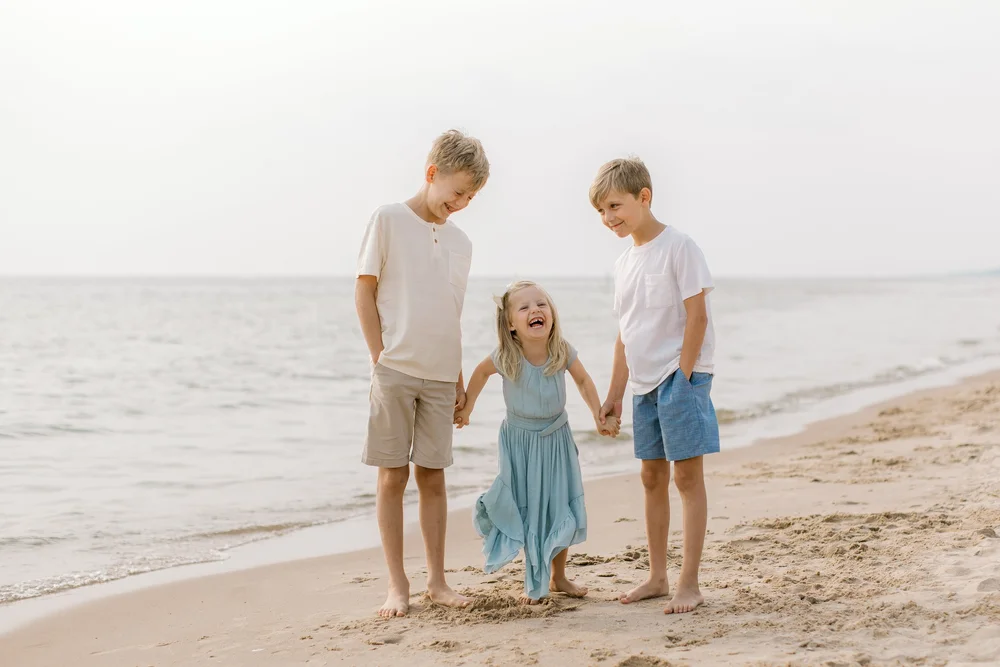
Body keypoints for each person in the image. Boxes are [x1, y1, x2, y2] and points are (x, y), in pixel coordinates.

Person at [355, 129, 489, 618]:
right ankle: (398, 585)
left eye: (471, 197)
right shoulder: (388, 219)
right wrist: (379, 357)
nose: (462, 203)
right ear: (432, 174)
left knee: (433, 478)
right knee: (393, 478)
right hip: (394, 370)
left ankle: (437, 581)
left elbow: (448, 311)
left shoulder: (461, 241)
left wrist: (456, 378)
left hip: (438, 375)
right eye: (457, 192)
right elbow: (364, 291)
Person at [591, 157, 719, 614]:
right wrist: (614, 394)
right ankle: (658, 576)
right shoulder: (624, 262)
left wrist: (684, 377)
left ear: (644, 197)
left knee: (687, 477)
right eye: (602, 212)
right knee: (651, 477)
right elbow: (625, 335)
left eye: (614, 206)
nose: (609, 219)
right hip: (643, 384)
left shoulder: (679, 246)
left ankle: (689, 582)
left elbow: (697, 315)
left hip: (680, 378)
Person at [455, 280, 620, 603]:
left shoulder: (561, 350)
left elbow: (584, 381)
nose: (535, 310)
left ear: (552, 315)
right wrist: (467, 407)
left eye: (541, 304)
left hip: (556, 439)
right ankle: (532, 573)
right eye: (525, 307)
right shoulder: (506, 356)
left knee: (559, 504)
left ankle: (558, 576)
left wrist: (598, 415)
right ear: (511, 324)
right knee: (529, 507)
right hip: (519, 443)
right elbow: (479, 373)